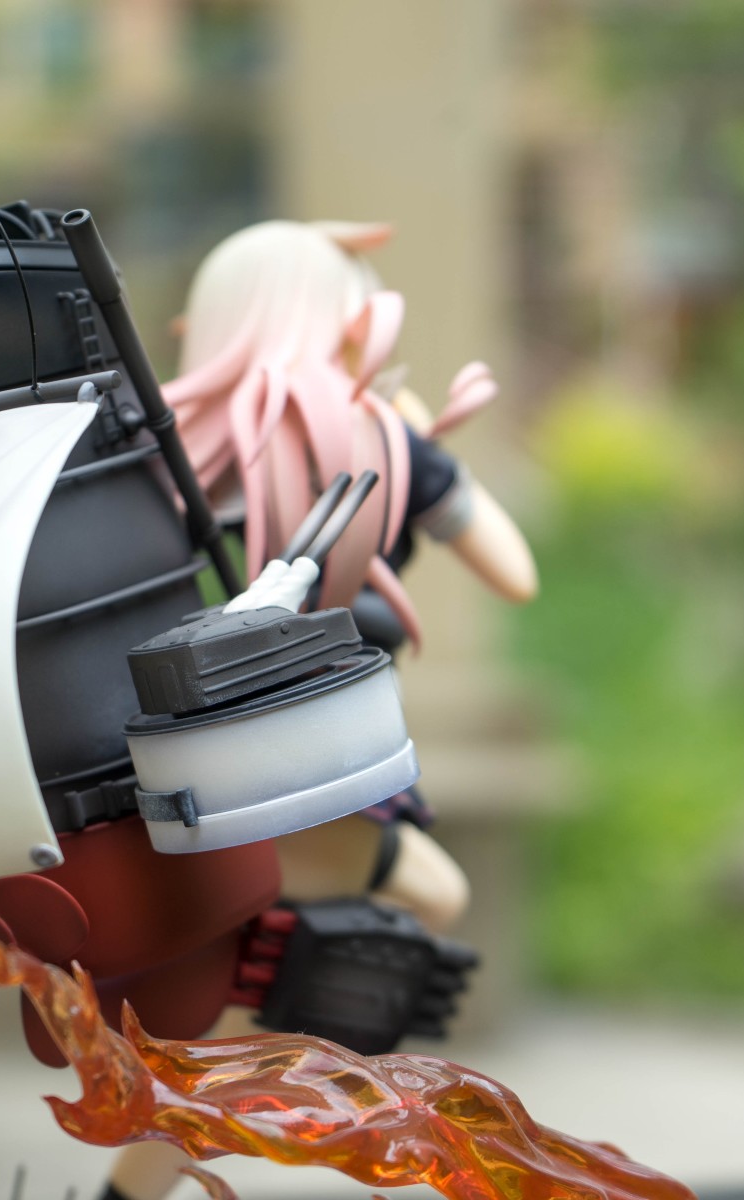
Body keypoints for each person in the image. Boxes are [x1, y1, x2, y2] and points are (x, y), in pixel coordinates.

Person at [100, 219, 540, 1200]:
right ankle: (247, 1106)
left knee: (254, 994)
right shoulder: (383, 446)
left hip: (171, 772)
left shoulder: (154, 455)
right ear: (349, 327)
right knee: (423, 903)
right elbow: (514, 571)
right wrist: (424, 444)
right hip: (297, 776)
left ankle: (161, 1160)